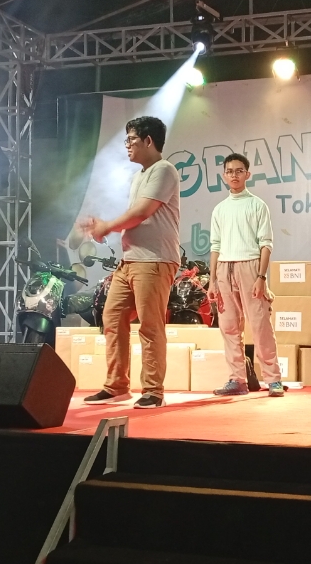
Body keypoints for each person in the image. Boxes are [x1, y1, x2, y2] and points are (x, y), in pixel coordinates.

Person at [80, 116, 181, 409]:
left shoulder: (164, 170)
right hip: (131, 260)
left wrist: (107, 226)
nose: (127, 145)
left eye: (131, 139)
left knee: (150, 326)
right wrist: (106, 229)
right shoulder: (140, 175)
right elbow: (135, 216)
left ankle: (153, 391)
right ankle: (116, 385)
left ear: (148, 141)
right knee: (112, 317)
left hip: (155, 260)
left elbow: (141, 213)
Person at [206, 153, 285, 398]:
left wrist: (261, 277)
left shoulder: (257, 205)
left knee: (260, 325)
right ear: (224, 175)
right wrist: (212, 280)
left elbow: (266, 244)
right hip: (224, 269)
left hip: (250, 267)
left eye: (239, 171)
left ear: (247, 174)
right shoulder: (219, 209)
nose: (234, 175)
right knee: (229, 327)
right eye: (230, 171)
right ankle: (237, 379)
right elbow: (215, 246)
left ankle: (273, 379)